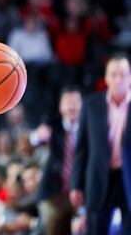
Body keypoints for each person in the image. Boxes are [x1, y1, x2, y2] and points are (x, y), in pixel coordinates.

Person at [71, 54, 131, 234]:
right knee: (96, 230)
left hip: (128, 178)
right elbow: (81, 149)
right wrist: (76, 184)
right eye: (113, 74)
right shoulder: (91, 105)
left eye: (123, 74)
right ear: (106, 78)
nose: (118, 79)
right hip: (98, 178)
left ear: (130, 77)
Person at [35, 86, 82, 235]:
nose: (71, 106)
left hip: (81, 193)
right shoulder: (51, 124)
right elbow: (33, 141)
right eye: (67, 102)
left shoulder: (90, 127)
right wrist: (37, 136)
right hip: (53, 193)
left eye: (75, 102)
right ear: (60, 106)